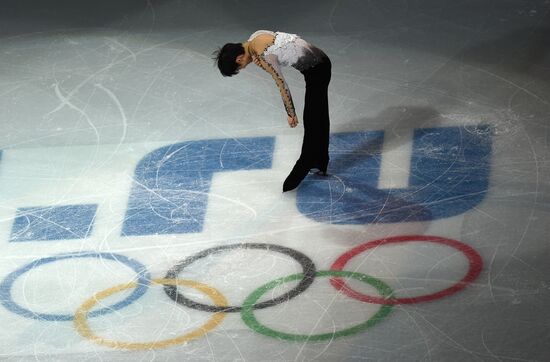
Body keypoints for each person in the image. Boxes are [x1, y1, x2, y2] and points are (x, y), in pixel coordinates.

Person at [213, 30, 332, 192]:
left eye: (239, 67)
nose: (243, 68)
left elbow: (281, 83)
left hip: (317, 71)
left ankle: (309, 160)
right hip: (319, 65)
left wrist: (291, 113)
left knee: (312, 119)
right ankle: (320, 159)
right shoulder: (255, 37)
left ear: (239, 58)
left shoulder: (263, 56)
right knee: (319, 115)